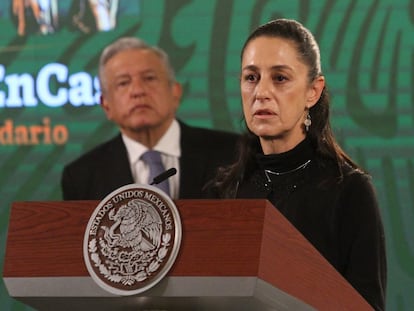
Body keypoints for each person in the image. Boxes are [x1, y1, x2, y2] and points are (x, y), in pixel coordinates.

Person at [206, 19, 387, 310]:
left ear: (312, 91)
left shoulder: (349, 190)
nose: (261, 92)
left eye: (280, 78)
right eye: (251, 77)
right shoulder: (227, 189)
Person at [61, 36, 239, 200]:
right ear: (106, 104)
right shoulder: (81, 177)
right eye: (123, 83)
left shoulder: (235, 154)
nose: (138, 91)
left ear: (175, 92)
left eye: (149, 78)